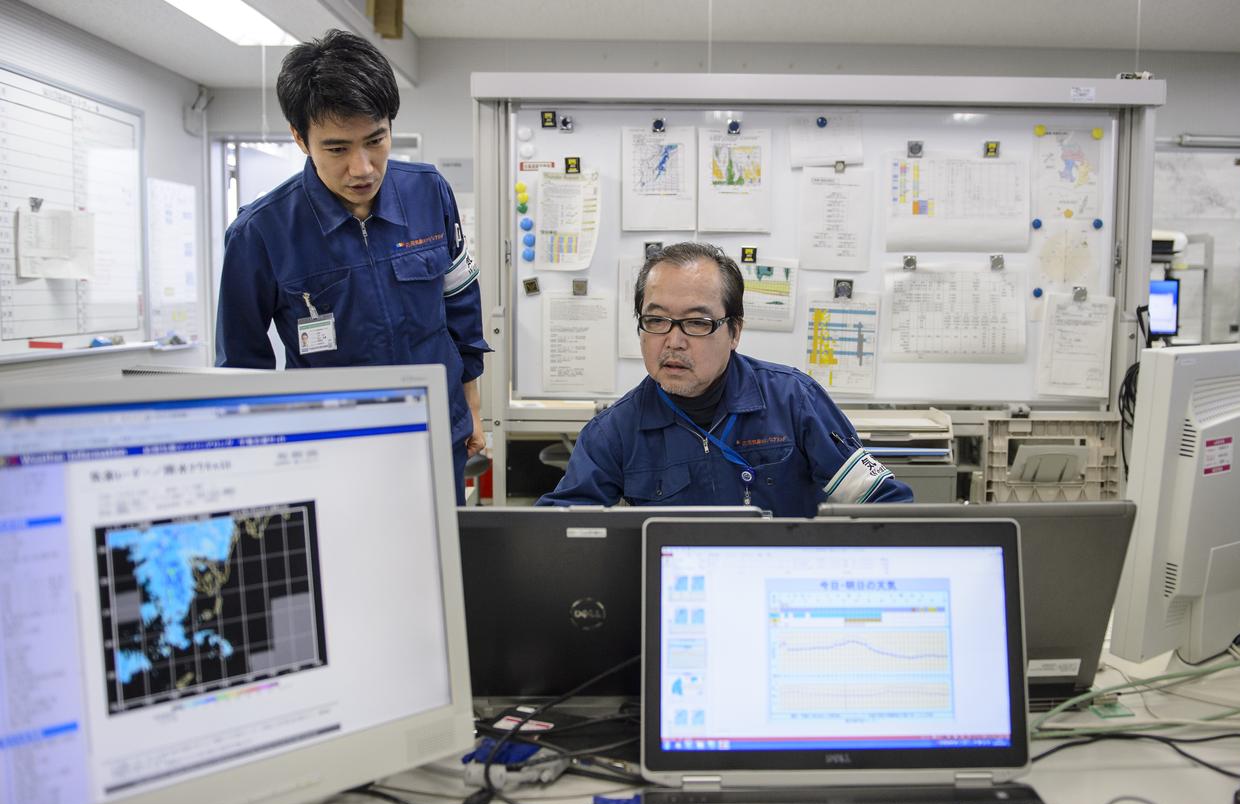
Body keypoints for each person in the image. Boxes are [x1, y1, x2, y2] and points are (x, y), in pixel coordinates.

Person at [215, 30, 489, 503]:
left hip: (436, 432)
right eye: (337, 148)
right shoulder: (259, 232)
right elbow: (241, 365)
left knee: (443, 568)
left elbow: (459, 300)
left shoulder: (429, 192)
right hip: (332, 449)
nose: (362, 168)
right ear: (300, 139)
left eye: (376, 140)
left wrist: (473, 408)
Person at [537, 242, 912, 516]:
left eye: (697, 322)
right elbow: (557, 533)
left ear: (734, 332)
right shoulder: (615, 431)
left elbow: (884, 504)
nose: (673, 341)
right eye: (656, 321)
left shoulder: (794, 401)